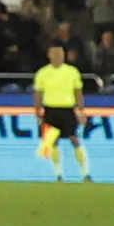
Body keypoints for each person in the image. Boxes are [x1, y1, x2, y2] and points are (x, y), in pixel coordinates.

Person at [35, 43, 93, 182]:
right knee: (53, 142)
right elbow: (38, 93)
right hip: (50, 110)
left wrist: (81, 110)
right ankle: (59, 174)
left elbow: (78, 92)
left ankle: (86, 173)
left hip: (67, 110)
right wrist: (38, 111)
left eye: (60, 53)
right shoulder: (43, 73)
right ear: (49, 55)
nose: (58, 56)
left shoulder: (72, 71)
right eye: (54, 53)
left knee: (74, 139)